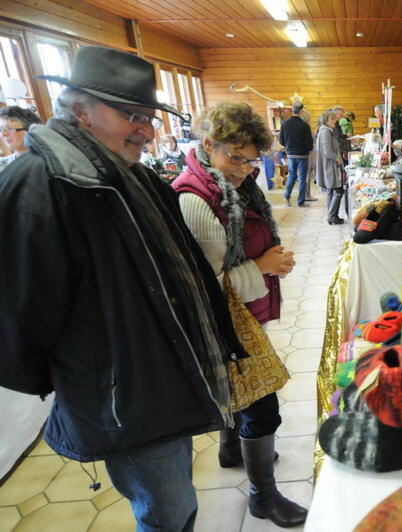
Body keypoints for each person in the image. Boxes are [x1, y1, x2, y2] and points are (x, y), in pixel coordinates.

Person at [0, 45, 247, 531]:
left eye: (149, 117)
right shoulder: (38, 187)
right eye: (131, 115)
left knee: (177, 502)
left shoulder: (131, 175)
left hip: (158, 380)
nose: (147, 130)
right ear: (79, 111)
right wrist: (84, 383)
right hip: (122, 395)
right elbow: (19, 312)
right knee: (166, 512)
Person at [171, 101, 307, 527]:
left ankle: (231, 448)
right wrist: (262, 268)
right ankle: (262, 497)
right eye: (237, 157)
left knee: (240, 395)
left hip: (240, 318)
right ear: (208, 144)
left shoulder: (233, 186)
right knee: (261, 405)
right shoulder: (195, 200)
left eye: (253, 160)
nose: (247, 168)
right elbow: (206, 288)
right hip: (221, 327)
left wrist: (267, 261)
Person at [278, 102, 313, 207]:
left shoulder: (284, 124)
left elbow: (281, 140)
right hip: (303, 155)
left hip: (290, 154)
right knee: (302, 178)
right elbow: (309, 144)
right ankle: (300, 201)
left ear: (292, 110)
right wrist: (308, 148)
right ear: (301, 111)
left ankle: (287, 196)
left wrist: (288, 147)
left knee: (292, 176)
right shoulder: (305, 125)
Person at [316, 109, 344, 225]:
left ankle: (333, 215)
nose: (335, 121)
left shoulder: (325, 130)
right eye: (332, 119)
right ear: (326, 120)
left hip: (329, 165)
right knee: (338, 190)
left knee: (331, 191)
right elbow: (328, 151)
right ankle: (332, 216)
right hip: (330, 165)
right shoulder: (325, 131)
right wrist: (337, 159)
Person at [0, 105, 41, 172]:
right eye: (1, 129)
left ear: (29, 130)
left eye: (9, 129)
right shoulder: (2, 165)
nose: (4, 134)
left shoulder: (48, 163)